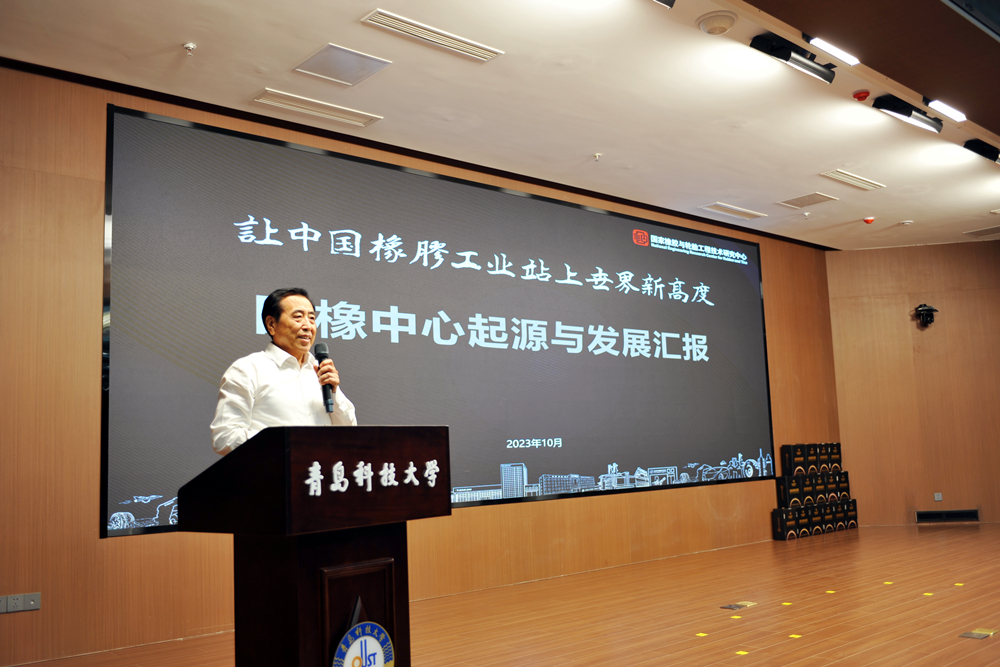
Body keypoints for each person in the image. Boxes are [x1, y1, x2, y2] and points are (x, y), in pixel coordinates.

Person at [211, 288, 356, 455]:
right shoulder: (247, 369)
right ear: (271, 324)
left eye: (311, 318)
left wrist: (334, 393)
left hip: (320, 470)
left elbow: (349, 432)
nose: (308, 326)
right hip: (273, 469)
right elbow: (225, 438)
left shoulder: (321, 371)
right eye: (298, 317)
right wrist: (285, 444)